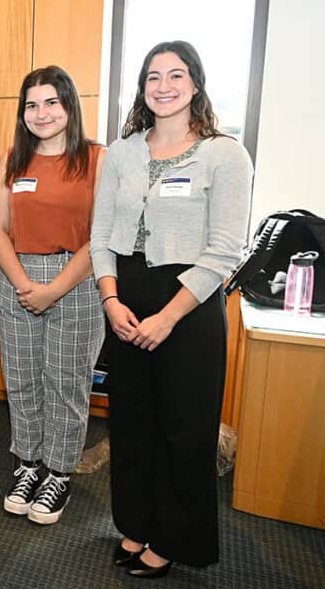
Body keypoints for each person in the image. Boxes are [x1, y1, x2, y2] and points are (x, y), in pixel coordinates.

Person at [90, 41, 253, 578]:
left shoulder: (224, 153)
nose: (163, 85)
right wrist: (111, 299)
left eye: (176, 74)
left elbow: (225, 249)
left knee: (184, 430)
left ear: (196, 84)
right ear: (141, 88)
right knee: (133, 424)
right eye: (153, 76)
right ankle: (136, 524)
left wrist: (169, 316)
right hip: (126, 299)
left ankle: (173, 539)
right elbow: (99, 238)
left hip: (189, 304)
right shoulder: (122, 152)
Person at [0, 66, 106, 525]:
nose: (41, 113)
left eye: (51, 102)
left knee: (66, 382)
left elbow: (103, 235)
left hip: (74, 281)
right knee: (21, 380)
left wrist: (53, 289)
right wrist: (23, 285)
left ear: (70, 105)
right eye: (32, 105)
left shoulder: (98, 158)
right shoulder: (12, 160)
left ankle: (58, 472)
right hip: (15, 278)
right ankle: (28, 464)